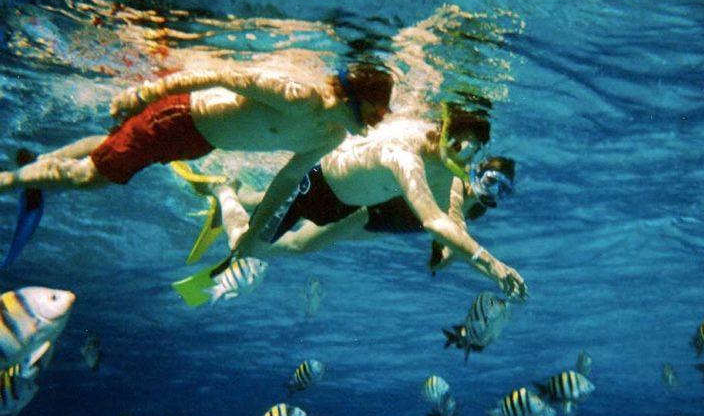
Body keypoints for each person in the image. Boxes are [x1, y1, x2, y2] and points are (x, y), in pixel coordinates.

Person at [0, 56, 394, 260]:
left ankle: (41, 162)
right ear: (357, 98)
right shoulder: (299, 96)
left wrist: (256, 230)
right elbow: (222, 75)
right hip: (178, 117)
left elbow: (289, 179)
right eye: (380, 109)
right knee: (91, 178)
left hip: (197, 140)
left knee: (110, 147)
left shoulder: (330, 134)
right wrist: (146, 93)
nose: (382, 119)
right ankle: (12, 180)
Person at [177, 104, 527, 300]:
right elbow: (435, 221)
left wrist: (475, 262)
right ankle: (224, 192)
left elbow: (451, 225)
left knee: (281, 237)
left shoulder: (447, 171)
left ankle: (232, 195)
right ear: (447, 133)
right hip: (316, 184)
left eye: (475, 152)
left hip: (346, 201)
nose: (467, 161)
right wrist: (493, 266)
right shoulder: (405, 157)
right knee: (244, 247)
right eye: (465, 148)